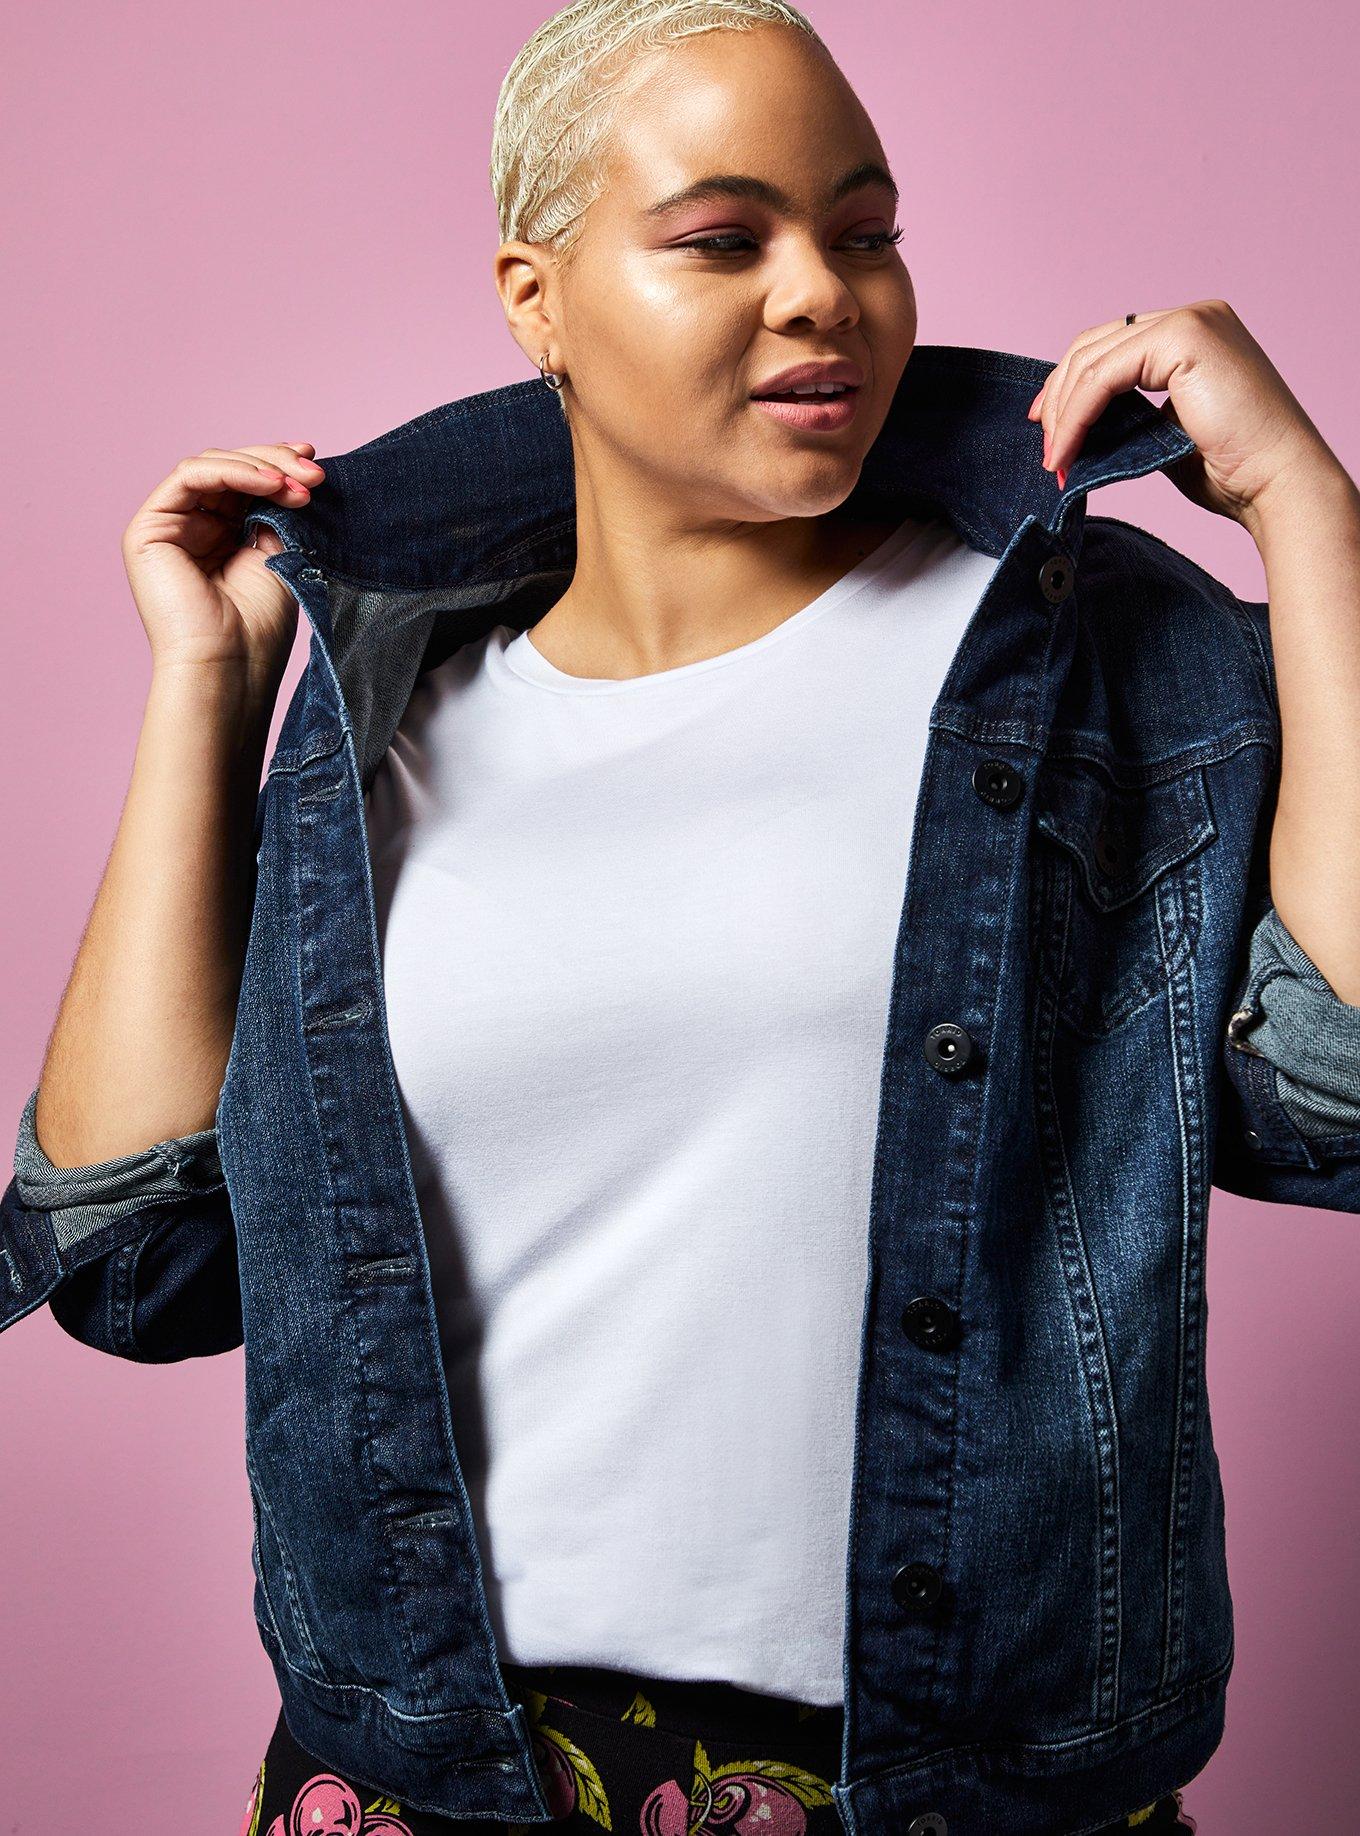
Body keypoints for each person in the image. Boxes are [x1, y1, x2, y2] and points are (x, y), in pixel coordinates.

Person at [5, 1, 1358, 1830]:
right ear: (536, 297)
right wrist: (214, 686)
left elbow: (1338, 1100)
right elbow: (132, 1262)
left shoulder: (1081, 653)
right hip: (426, 1778)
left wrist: (1309, 514)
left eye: (866, 233)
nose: (822, 295)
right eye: (725, 238)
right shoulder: (387, 712)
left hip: (945, 1788)